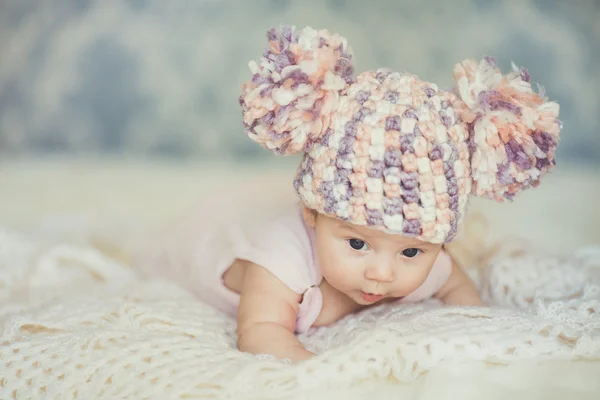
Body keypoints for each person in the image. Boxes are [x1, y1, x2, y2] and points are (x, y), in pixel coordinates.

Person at [134, 25, 561, 362]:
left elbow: (460, 293)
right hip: (210, 232)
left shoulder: (421, 248)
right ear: (313, 217)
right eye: (358, 243)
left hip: (315, 209)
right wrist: (318, 372)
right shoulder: (282, 262)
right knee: (190, 236)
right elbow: (261, 332)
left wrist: (481, 333)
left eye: (410, 252)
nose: (382, 273)